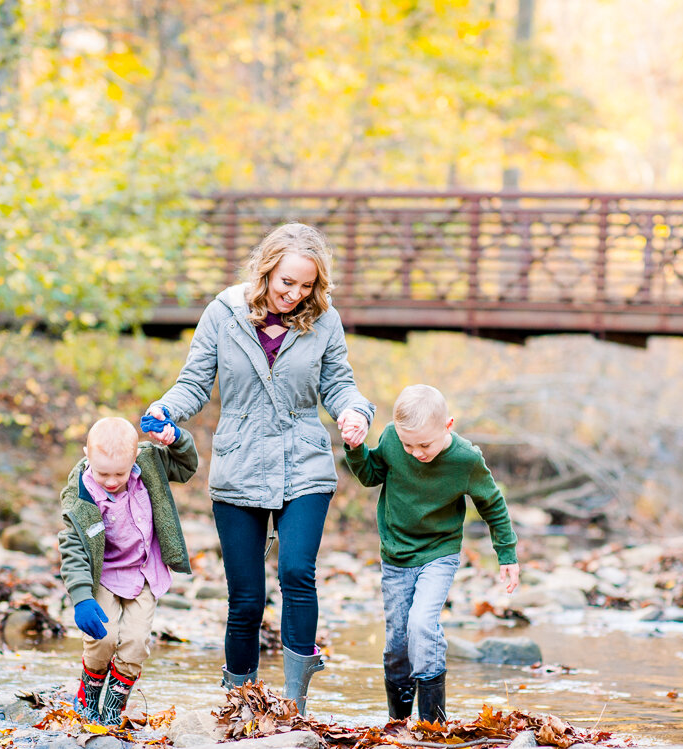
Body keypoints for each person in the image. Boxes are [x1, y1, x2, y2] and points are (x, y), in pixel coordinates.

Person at [144, 222, 374, 714]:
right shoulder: (223, 313)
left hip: (304, 461)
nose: (294, 294)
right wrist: (165, 410)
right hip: (240, 463)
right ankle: (238, 704)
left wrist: (355, 412)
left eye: (306, 285)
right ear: (266, 269)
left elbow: (339, 385)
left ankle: (295, 704)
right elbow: (194, 382)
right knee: (246, 599)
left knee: (296, 572)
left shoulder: (324, 319)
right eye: (286, 282)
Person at [343, 384, 520, 723]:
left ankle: (432, 724)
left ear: (448, 426)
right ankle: (398, 723)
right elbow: (370, 475)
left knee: (422, 624)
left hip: (440, 552)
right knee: (397, 642)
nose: (416, 452)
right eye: (409, 445)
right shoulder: (395, 439)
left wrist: (507, 555)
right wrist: (355, 448)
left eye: (425, 444)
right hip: (396, 554)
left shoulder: (466, 459)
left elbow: (492, 504)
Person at [57, 415, 199, 725]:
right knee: (102, 639)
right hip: (105, 575)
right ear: (87, 456)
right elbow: (72, 548)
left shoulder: (149, 464)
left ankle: (113, 708)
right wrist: (81, 597)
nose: (110, 481)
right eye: (102, 472)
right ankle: (89, 697)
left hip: (145, 572)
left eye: (119, 473)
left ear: (134, 458)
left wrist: (176, 439)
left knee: (136, 643)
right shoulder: (81, 495)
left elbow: (187, 467)